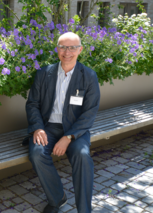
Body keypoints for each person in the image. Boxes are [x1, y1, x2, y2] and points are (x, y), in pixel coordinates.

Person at [26, 32, 100, 213]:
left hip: (75, 130)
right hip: (48, 127)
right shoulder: (44, 73)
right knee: (36, 153)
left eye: (73, 47)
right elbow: (33, 104)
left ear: (80, 50)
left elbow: (89, 112)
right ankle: (57, 198)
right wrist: (37, 128)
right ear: (57, 49)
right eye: (63, 47)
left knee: (82, 156)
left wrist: (68, 137)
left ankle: (84, 209)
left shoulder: (88, 76)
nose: (67, 52)